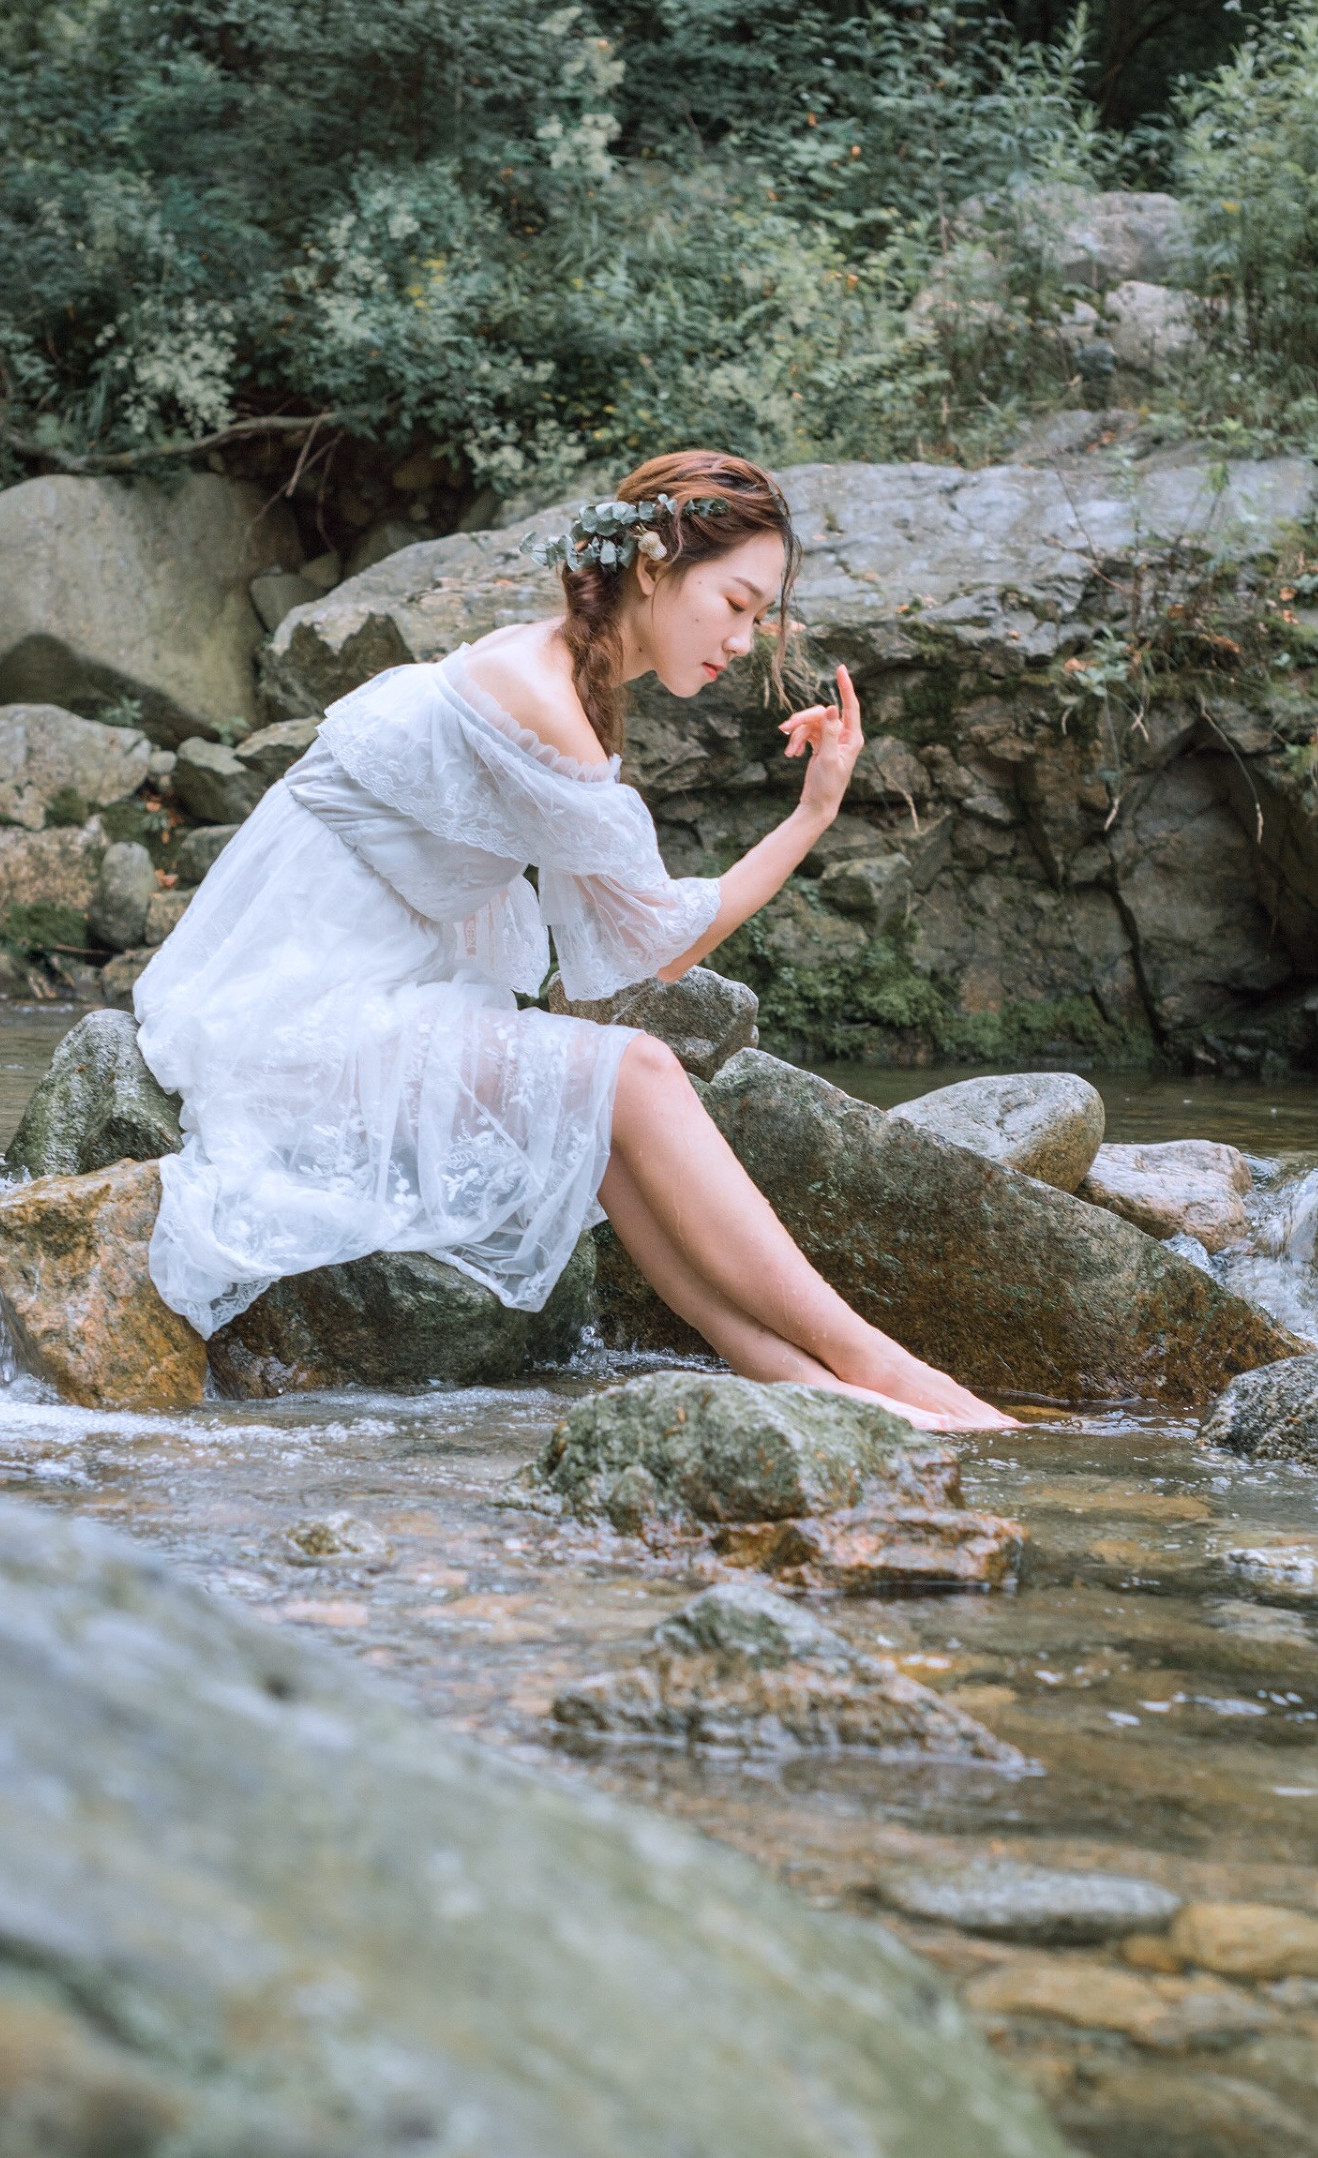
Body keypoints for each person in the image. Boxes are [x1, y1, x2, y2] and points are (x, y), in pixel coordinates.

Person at [135, 448, 1011, 1430]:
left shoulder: (559, 672)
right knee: (632, 1073)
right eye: (734, 602)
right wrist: (813, 813)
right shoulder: (542, 701)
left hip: (335, 991)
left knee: (593, 1110)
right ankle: (893, 1372)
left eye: (760, 616)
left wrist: (816, 806)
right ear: (651, 568)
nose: (745, 640)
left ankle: (843, 1396)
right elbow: (664, 950)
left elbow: (640, 942)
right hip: (290, 1019)